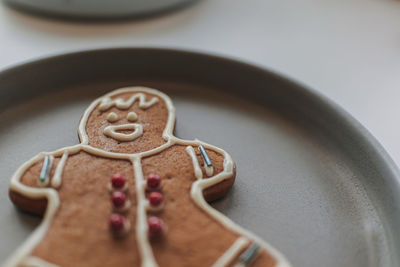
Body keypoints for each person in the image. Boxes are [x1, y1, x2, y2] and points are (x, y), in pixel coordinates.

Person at [6, 87, 290, 267]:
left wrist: (191, 151)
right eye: (111, 120)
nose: (126, 125)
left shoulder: (183, 156)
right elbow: (28, 184)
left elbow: (215, 168)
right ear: (92, 126)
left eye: (134, 119)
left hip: (185, 246)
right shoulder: (70, 162)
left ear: (159, 125)